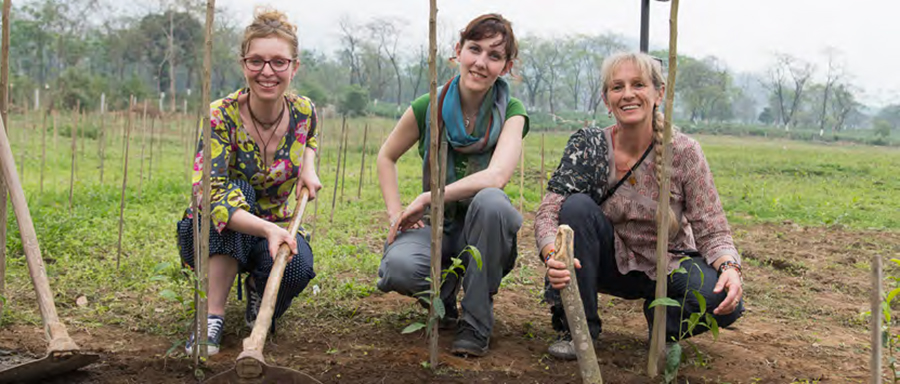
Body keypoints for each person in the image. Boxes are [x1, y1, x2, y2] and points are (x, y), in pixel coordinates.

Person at [534, 52, 744, 360]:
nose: (628, 94)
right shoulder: (588, 146)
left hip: (668, 265)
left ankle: (661, 322)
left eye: (638, 84)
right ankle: (579, 329)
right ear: (606, 100)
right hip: (605, 262)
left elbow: (711, 228)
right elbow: (549, 211)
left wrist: (729, 267)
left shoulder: (684, 152)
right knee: (576, 207)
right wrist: (553, 254)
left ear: (658, 93)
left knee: (726, 301)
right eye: (617, 87)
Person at [375, 14, 529, 357]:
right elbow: (386, 156)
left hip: (484, 231)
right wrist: (395, 212)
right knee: (400, 268)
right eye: (474, 49)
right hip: (435, 229)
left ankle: (476, 323)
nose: (481, 62)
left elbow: (496, 176)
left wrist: (428, 196)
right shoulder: (429, 106)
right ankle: (443, 295)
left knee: (492, 201)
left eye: (494, 55)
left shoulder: (512, 112)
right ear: (457, 51)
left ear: (506, 66)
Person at [176, 8, 322, 356]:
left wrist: (308, 166)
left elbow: (310, 138)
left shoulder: (304, 111)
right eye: (256, 61)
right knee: (235, 193)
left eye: (278, 62)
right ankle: (210, 317)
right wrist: (268, 230)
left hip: (275, 231)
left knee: (298, 266)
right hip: (212, 232)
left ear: (294, 67)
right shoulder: (220, 115)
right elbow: (207, 195)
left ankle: (260, 289)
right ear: (243, 65)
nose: (267, 72)